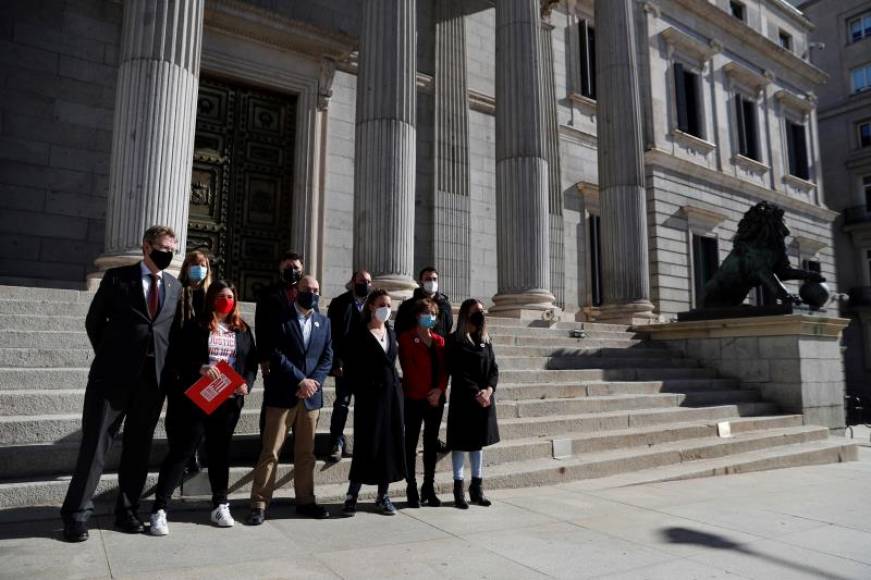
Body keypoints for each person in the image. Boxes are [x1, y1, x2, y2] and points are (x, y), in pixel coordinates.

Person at [60, 225, 181, 542]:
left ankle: (127, 512)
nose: (168, 254)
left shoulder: (174, 287)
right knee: (95, 447)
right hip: (111, 380)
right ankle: (76, 515)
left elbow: (171, 335)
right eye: (163, 247)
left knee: (138, 450)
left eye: (173, 250)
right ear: (146, 246)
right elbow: (94, 322)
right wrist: (113, 358)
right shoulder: (117, 278)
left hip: (151, 384)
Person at [149, 281, 257, 535]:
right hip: (199, 398)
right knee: (183, 451)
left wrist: (246, 385)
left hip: (229, 401)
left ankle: (220, 503)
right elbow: (176, 358)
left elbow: (250, 362)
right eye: (221, 296)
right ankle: (159, 508)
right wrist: (200, 368)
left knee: (220, 453)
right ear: (211, 299)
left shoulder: (242, 329)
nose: (226, 300)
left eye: (230, 296)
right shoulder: (196, 327)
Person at [247, 275, 333, 523]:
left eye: (317, 290)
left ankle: (306, 500)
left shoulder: (323, 323)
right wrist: (300, 381)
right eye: (308, 289)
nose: (313, 294)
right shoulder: (280, 317)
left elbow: (327, 357)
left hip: (310, 398)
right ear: (297, 291)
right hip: (284, 393)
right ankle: (259, 503)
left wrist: (313, 382)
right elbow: (275, 353)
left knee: (306, 453)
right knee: (271, 451)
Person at [342, 289, 406, 516]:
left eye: (389, 305)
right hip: (369, 398)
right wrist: (363, 388)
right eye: (382, 304)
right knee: (365, 445)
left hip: (392, 396)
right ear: (371, 306)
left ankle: (383, 495)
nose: (386, 309)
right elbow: (351, 368)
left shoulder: (390, 331)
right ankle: (352, 495)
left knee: (389, 446)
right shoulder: (358, 333)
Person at [446, 298, 499, 510]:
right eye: (476, 311)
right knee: (460, 444)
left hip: (484, 400)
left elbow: (493, 369)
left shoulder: (486, 339)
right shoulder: (455, 340)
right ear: (466, 314)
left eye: (482, 310)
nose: (480, 314)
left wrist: (489, 389)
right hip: (464, 399)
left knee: (477, 444)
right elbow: (458, 371)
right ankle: (458, 489)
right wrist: (476, 392)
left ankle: (476, 488)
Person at [398, 298, 448, 508]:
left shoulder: (439, 340)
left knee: (431, 443)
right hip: (414, 397)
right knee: (411, 443)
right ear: (418, 316)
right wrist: (424, 392)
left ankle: (429, 485)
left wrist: (439, 390)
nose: (430, 317)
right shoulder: (406, 338)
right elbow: (408, 369)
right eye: (426, 313)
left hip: (435, 399)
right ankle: (411, 486)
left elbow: (445, 369)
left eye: (433, 314)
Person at [326, 270, 372, 461]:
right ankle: (336, 441)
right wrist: (336, 362)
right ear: (353, 281)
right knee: (342, 403)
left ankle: (362, 442)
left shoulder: (373, 304)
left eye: (369, 281)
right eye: (362, 280)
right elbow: (332, 335)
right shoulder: (339, 303)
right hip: (345, 364)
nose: (365, 284)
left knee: (364, 405)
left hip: (366, 365)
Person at [176, 250, 213, 474]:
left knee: (204, 412)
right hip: (185, 361)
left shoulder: (212, 295)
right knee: (184, 413)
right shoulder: (178, 292)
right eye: (194, 263)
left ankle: (196, 452)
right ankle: (185, 454)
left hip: (208, 360)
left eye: (202, 264)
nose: (198, 267)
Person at [254, 251, 305, 375]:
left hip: (302, 355)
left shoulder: (308, 293)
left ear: (302, 270)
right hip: (276, 356)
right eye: (288, 267)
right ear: (280, 268)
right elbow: (261, 326)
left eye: (296, 268)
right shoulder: (267, 294)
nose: (292, 270)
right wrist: (263, 358)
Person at [395, 267, 453, 338]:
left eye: (434, 279)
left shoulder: (445, 305)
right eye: (428, 279)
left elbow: (449, 326)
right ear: (421, 281)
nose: (432, 282)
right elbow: (399, 328)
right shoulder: (408, 306)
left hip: (439, 345)